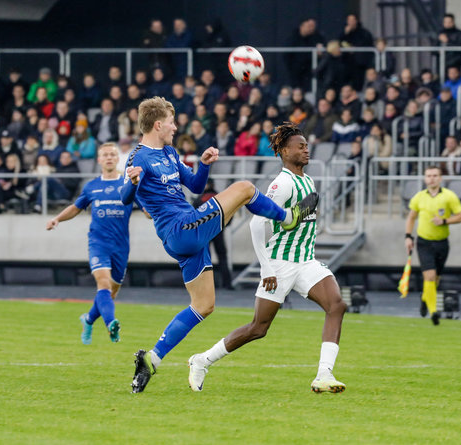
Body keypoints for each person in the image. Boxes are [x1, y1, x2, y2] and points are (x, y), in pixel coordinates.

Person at [121, 97, 319, 393]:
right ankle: (287, 218)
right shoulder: (138, 158)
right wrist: (132, 183)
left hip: (188, 229)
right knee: (245, 188)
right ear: (158, 124)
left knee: (204, 305)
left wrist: (202, 165)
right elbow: (125, 198)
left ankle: (152, 359)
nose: (176, 127)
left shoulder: (170, 152)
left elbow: (197, 186)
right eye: (172, 122)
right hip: (180, 229)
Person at [188, 122, 347, 393]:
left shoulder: (307, 180)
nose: (307, 150)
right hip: (279, 264)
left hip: (306, 261)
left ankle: (324, 374)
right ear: (285, 152)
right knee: (258, 328)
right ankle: (202, 360)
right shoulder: (282, 184)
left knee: (337, 305)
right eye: (301, 146)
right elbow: (255, 225)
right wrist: (267, 268)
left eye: (307, 146)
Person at [46, 143, 145, 344]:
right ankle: (111, 324)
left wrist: (159, 215)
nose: (109, 158)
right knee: (104, 283)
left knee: (111, 292)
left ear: (118, 159)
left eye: (112, 154)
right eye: (105, 155)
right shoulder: (91, 186)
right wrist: (57, 218)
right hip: (98, 243)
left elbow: (147, 209)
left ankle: (88, 319)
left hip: (121, 246)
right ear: (99, 160)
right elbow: (76, 207)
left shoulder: (128, 185)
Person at [405, 165, 461, 325]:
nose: (431, 178)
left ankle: (426, 297)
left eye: (434, 175)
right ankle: (433, 312)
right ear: (425, 178)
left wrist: (445, 221)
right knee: (429, 275)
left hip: (442, 242)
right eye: (428, 175)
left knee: (435, 278)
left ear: (440, 178)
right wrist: (408, 237)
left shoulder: (449, 196)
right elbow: (411, 217)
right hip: (424, 242)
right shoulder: (419, 197)